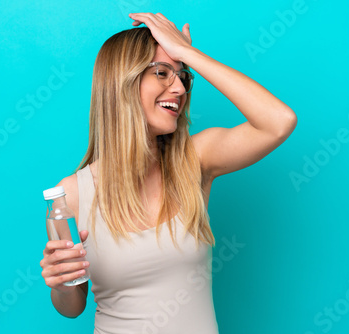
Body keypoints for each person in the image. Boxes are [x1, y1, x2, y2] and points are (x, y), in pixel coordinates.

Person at [40, 12, 297, 333]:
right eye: (162, 72)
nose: (179, 87)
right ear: (123, 82)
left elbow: (278, 121)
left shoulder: (195, 160)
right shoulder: (71, 194)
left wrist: (188, 54)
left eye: (183, 77)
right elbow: (72, 306)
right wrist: (62, 284)